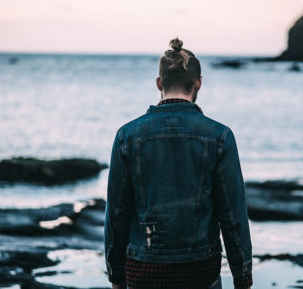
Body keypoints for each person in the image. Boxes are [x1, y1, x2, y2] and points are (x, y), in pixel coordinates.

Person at [104, 38, 253, 289]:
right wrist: (242, 275)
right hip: (200, 270)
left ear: (159, 83)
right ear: (199, 83)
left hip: (143, 269)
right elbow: (233, 215)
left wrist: (115, 275)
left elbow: (117, 214)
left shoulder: (127, 136)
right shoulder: (220, 137)